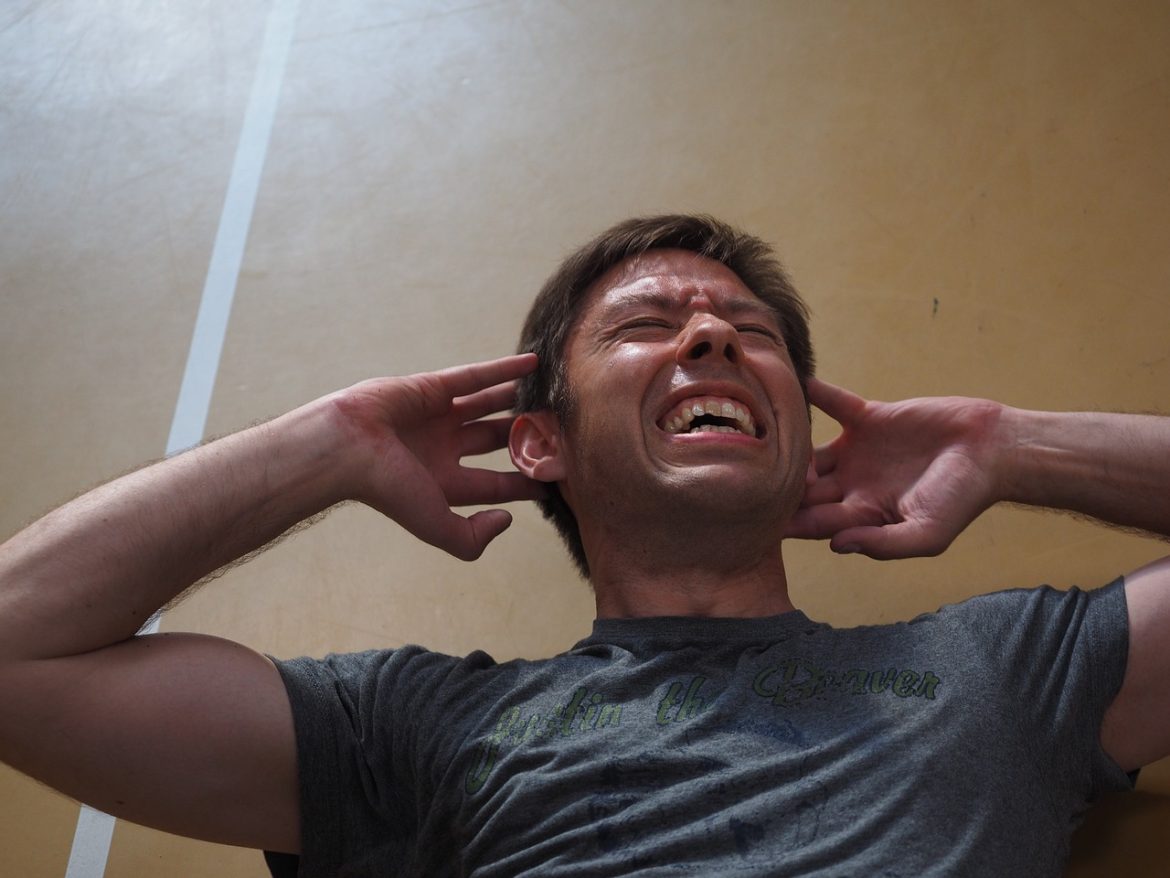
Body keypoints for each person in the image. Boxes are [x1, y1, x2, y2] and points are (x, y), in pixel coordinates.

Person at [0, 214, 1167, 876]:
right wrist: (331, 441)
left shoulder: (999, 672)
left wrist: (1014, 446)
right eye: (648, 324)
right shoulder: (420, 728)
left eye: (751, 331)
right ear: (540, 441)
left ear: (800, 435)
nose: (713, 335)